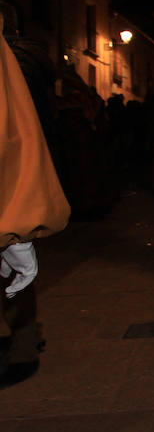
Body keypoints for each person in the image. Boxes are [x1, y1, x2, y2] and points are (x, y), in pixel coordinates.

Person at [0, 31, 70, 388]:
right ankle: (22, 344)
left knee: (14, 277)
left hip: (14, 185)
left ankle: (22, 348)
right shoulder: (22, 67)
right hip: (21, 185)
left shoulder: (11, 69)